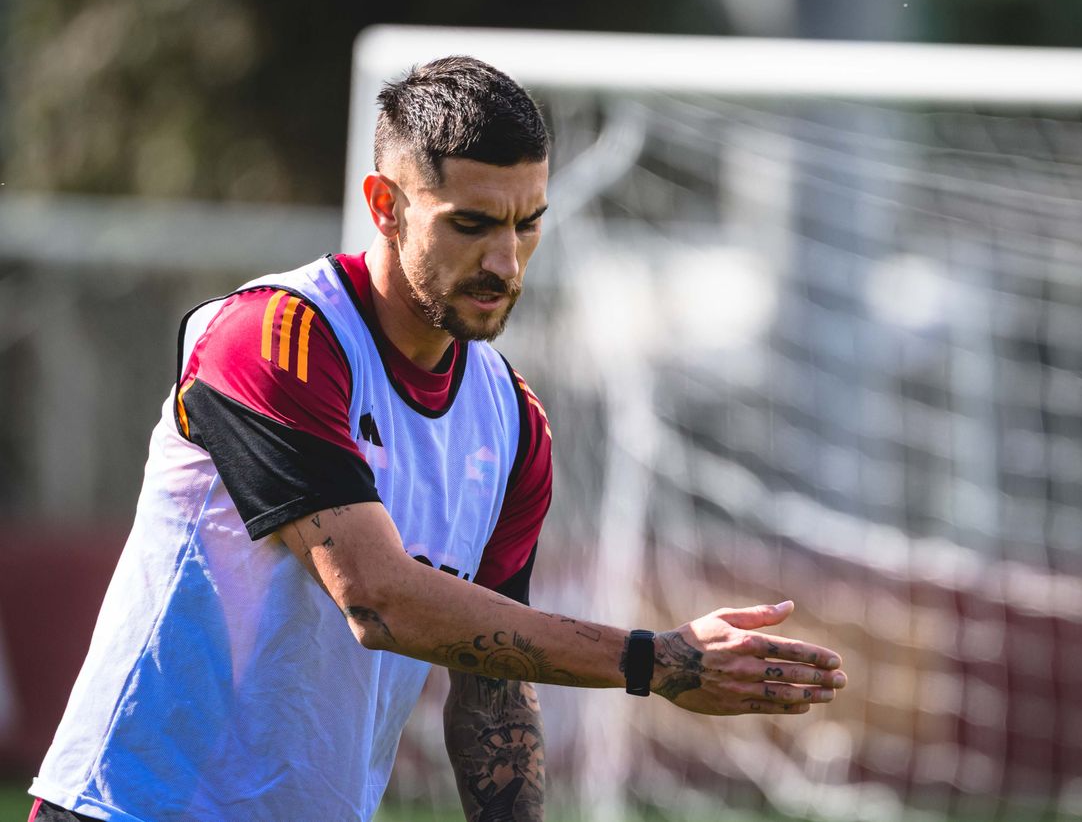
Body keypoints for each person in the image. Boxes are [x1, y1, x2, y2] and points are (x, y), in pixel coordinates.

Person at [28, 56, 846, 822]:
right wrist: (655, 661)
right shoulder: (273, 336)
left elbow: (491, 681)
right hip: (130, 807)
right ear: (385, 206)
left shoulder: (513, 422)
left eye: (528, 224)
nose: (507, 262)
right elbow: (377, 599)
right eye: (471, 224)